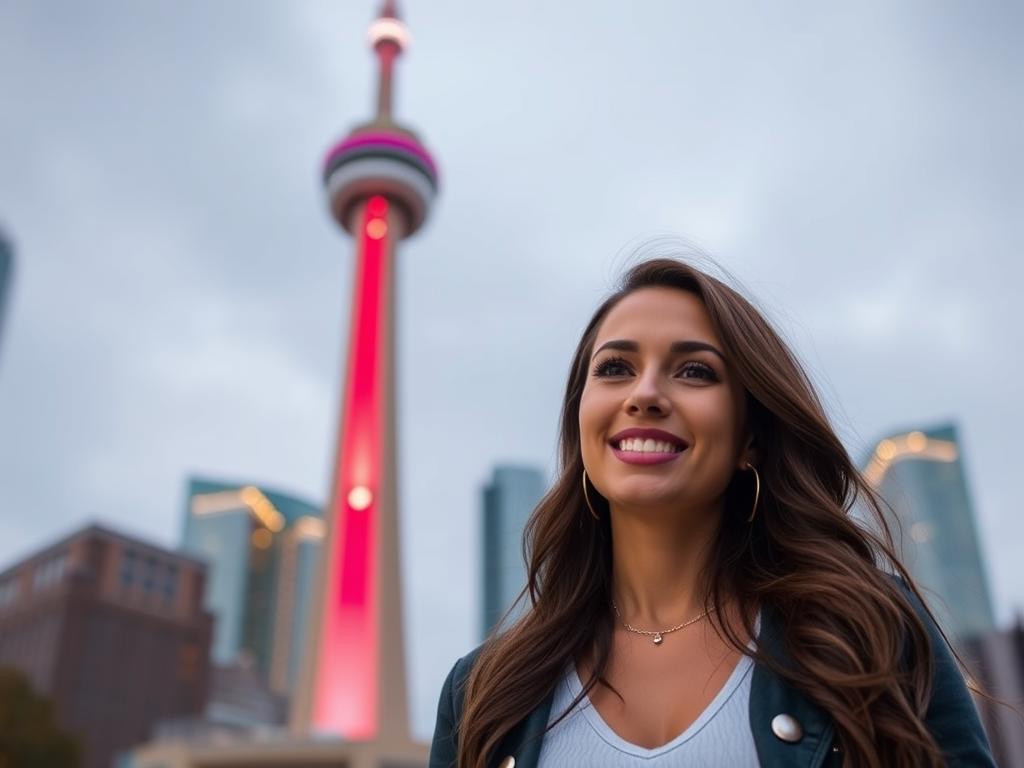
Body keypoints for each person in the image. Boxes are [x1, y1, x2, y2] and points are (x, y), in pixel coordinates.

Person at [429, 256, 994, 768]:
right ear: (582, 426)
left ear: (750, 436)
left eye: (695, 371)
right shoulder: (481, 694)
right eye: (615, 368)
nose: (644, 393)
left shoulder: (870, 632)